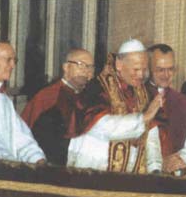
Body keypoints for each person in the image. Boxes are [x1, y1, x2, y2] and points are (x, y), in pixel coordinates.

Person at [67, 39, 164, 173]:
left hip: (132, 176)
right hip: (95, 171)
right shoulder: (97, 88)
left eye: (144, 69)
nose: (141, 75)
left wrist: (155, 167)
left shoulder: (145, 91)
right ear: (119, 64)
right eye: (136, 69)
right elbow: (101, 126)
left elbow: (151, 134)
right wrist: (143, 118)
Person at [20, 48, 94, 166]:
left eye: (90, 67)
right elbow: (26, 132)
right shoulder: (48, 96)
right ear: (66, 67)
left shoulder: (91, 98)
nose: (86, 71)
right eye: (81, 65)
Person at [145, 44, 186, 177]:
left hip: (175, 177)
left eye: (171, 69)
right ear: (148, 69)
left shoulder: (184, 103)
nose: (166, 75)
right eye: (160, 70)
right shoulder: (136, 97)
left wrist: (182, 159)